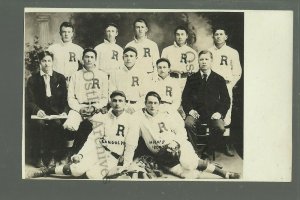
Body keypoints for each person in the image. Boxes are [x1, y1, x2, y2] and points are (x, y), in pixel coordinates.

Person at [29, 91, 139, 179]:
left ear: (125, 103)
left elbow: (131, 145)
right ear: (110, 102)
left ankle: (85, 173)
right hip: (98, 151)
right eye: (114, 100)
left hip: (113, 157)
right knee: (77, 169)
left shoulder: (131, 120)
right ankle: (47, 171)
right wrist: (81, 155)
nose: (117, 103)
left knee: (93, 175)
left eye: (120, 101)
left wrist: (126, 165)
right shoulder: (104, 117)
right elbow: (92, 139)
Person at [132, 91, 239, 179]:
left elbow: (181, 131)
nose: (152, 106)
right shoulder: (139, 117)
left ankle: (224, 173)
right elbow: (134, 136)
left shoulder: (167, 115)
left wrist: (175, 142)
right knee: (189, 175)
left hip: (177, 145)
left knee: (189, 164)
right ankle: (204, 164)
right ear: (145, 103)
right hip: (162, 155)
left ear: (159, 104)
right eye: (149, 103)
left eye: (155, 103)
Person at [182, 50, 231, 158]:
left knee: (220, 127)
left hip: (213, 114)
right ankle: (194, 152)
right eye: (201, 59)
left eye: (206, 59)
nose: (204, 62)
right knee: (188, 124)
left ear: (211, 61)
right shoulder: (191, 79)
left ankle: (208, 149)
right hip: (196, 113)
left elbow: (226, 100)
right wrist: (190, 110)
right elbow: (185, 98)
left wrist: (219, 113)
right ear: (198, 61)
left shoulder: (219, 79)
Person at [26, 51, 69, 168]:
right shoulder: (32, 80)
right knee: (39, 124)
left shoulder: (60, 78)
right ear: (40, 62)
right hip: (40, 113)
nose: (47, 64)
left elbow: (65, 99)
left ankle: (53, 157)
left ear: (52, 62)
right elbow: (29, 100)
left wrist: (64, 111)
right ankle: (39, 157)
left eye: (49, 61)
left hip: (56, 113)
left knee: (56, 123)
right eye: (44, 61)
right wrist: (37, 110)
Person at [63, 48, 109, 154]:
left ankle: (95, 154)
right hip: (79, 107)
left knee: (102, 125)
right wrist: (80, 108)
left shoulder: (102, 75)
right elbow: (70, 97)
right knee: (70, 124)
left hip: (95, 108)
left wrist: (95, 107)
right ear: (83, 59)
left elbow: (104, 98)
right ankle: (69, 153)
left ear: (95, 60)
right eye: (87, 57)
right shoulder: (75, 75)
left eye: (92, 57)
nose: (89, 59)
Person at [209, 27, 242, 126]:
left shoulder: (232, 52)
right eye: (216, 34)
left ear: (226, 37)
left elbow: (237, 72)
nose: (218, 36)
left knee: (226, 114)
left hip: (226, 85)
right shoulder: (209, 51)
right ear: (213, 37)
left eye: (221, 34)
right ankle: (211, 139)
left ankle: (224, 140)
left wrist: (229, 86)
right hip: (211, 87)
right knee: (212, 112)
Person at [109, 47, 150, 114]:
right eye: (126, 56)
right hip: (118, 108)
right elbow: (111, 93)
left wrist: (135, 108)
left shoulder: (142, 73)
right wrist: (121, 107)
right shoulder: (115, 73)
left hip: (137, 109)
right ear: (123, 58)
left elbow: (145, 95)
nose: (128, 59)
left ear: (136, 58)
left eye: (131, 56)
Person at [161, 25, 199, 92]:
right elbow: (161, 68)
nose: (180, 37)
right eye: (178, 34)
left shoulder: (192, 52)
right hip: (171, 79)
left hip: (186, 81)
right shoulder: (166, 50)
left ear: (186, 36)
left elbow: (195, 70)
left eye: (182, 34)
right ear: (175, 36)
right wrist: (172, 70)